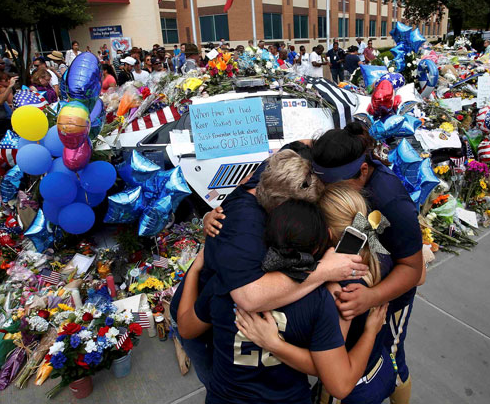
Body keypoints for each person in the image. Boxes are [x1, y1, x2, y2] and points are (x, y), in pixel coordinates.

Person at [172, 148, 367, 388]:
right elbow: (334, 375)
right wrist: (325, 272)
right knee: (213, 375)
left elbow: (294, 147)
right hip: (201, 321)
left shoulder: (272, 175)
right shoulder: (313, 296)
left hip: (211, 339)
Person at [177, 199, 387, 404]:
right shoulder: (323, 299)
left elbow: (186, 329)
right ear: (319, 249)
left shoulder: (229, 284)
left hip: (225, 396)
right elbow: (335, 376)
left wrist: (195, 269)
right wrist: (370, 331)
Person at [238, 183, 400, 404]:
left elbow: (329, 371)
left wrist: (274, 344)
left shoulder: (338, 291)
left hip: (353, 389)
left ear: (327, 234)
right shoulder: (379, 253)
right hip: (382, 366)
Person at [310, 123, 424, 403]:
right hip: (361, 278)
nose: (325, 192)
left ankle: (396, 389)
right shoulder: (337, 171)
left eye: (333, 186)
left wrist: (372, 297)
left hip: (389, 296)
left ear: (362, 173)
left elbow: (414, 270)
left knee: (392, 356)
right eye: (320, 183)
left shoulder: (390, 200)